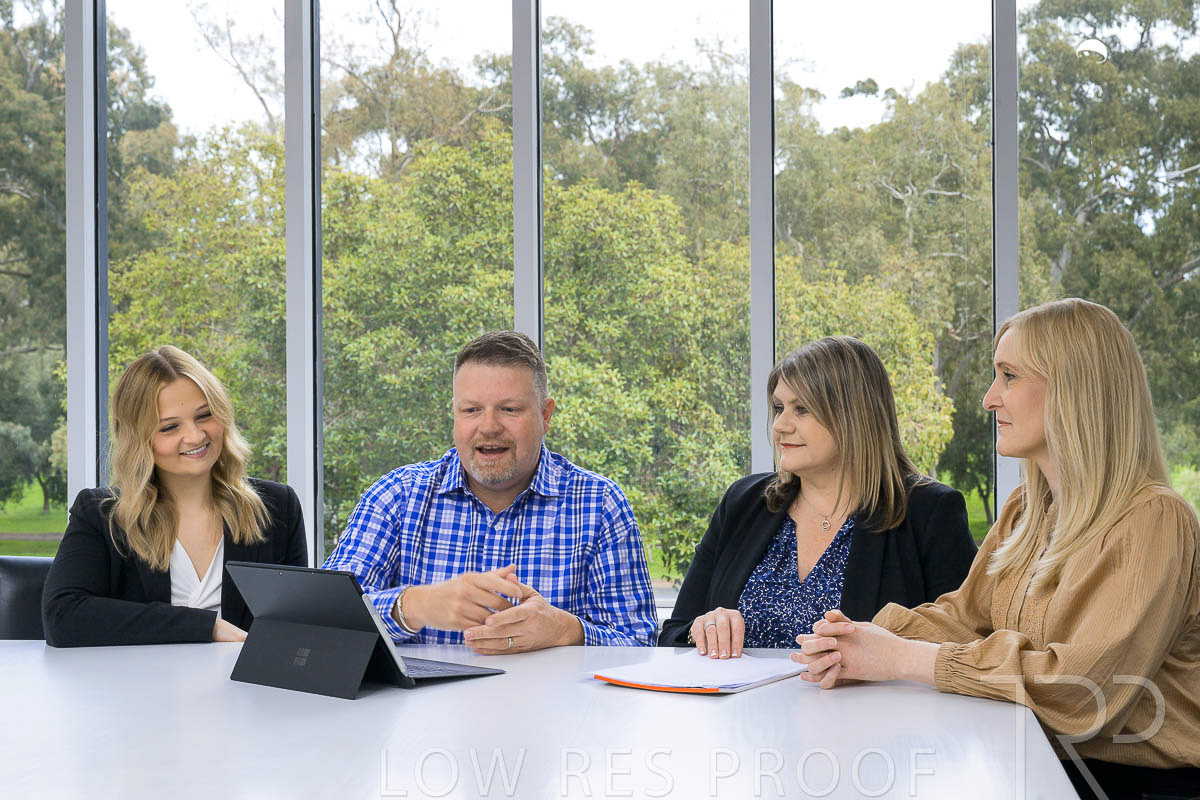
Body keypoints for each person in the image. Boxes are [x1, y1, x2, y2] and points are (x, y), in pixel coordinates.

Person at [794, 300, 1200, 799]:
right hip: (1034, 759)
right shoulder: (1025, 509)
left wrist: (903, 658)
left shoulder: (1154, 519)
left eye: (1009, 376)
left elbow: (1081, 693)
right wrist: (858, 640)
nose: (989, 399)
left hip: (1135, 785)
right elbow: (964, 618)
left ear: (1074, 389)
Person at [321, 330, 657, 651]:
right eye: (471, 410)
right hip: (420, 696)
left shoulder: (600, 505)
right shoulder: (396, 496)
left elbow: (639, 643)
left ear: (545, 415)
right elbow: (320, 619)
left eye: (510, 409)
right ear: (454, 413)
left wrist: (566, 631)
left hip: (550, 696)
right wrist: (414, 606)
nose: (489, 426)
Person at [660, 336, 977, 656]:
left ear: (854, 416)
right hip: (741, 692)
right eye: (779, 408)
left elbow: (967, 647)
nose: (780, 426)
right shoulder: (742, 503)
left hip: (877, 693)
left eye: (802, 409)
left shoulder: (930, 512)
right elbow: (674, 634)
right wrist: (703, 630)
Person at [42, 346, 308, 647]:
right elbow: (62, 617)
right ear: (138, 439)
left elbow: (297, 625)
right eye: (169, 427)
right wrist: (206, 626)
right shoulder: (101, 515)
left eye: (204, 415)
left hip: (247, 679)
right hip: (139, 679)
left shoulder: (277, 507)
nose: (195, 436)